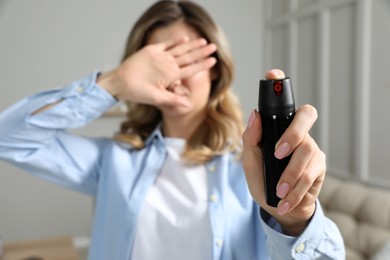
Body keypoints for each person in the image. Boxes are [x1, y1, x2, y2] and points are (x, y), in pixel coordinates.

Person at [0, 0, 345, 259]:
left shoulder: (254, 165)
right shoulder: (115, 161)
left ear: (215, 70)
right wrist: (114, 83)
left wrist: (296, 221)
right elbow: (9, 138)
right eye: (160, 61)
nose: (174, 75)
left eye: (187, 59)